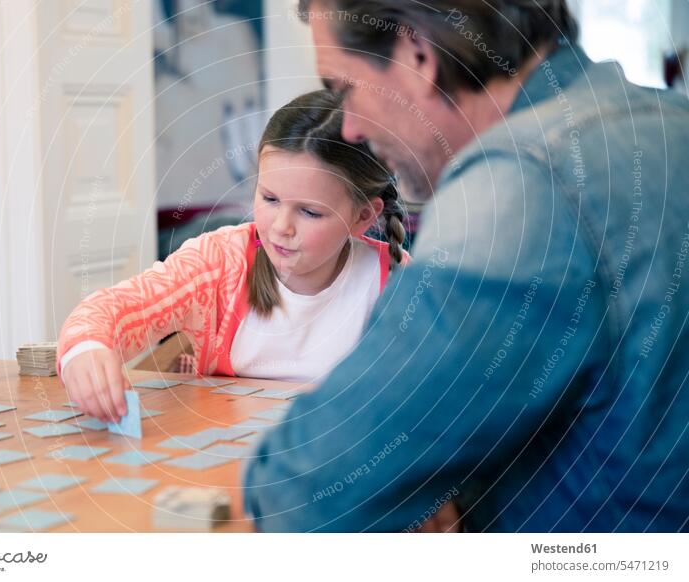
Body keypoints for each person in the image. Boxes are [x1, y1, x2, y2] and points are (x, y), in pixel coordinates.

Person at [243, 0, 689, 531]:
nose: (349, 131)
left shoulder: (520, 183)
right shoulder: (668, 122)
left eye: (344, 89)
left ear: (416, 54)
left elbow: (311, 486)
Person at [57, 89, 408, 423]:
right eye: (270, 199)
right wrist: (85, 350)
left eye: (310, 212)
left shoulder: (396, 279)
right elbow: (111, 309)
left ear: (363, 216)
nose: (281, 227)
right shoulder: (218, 262)